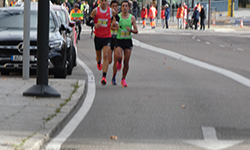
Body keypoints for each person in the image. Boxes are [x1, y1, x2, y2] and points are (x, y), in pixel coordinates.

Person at [86, 0, 117, 85]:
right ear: (100, 2)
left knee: (106, 55)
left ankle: (104, 77)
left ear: (107, 2)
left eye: (105, 1)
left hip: (107, 37)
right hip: (98, 37)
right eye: (102, 1)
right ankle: (99, 62)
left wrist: (114, 22)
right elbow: (87, 22)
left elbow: (117, 18)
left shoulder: (111, 11)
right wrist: (94, 24)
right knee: (99, 57)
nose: (104, 2)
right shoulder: (95, 11)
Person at [114, 0, 138, 87]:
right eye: (123, 6)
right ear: (121, 7)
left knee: (127, 62)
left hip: (128, 40)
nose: (124, 7)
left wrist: (131, 30)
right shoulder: (118, 17)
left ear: (128, 7)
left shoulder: (132, 18)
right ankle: (119, 61)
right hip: (119, 40)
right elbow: (112, 26)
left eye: (126, 6)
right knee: (119, 56)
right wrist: (115, 27)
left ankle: (123, 79)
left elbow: (136, 31)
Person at [109, 0, 120, 85]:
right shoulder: (108, 16)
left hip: (117, 39)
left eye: (116, 6)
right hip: (109, 38)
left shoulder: (120, 16)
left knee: (116, 60)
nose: (115, 8)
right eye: (113, 6)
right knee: (109, 60)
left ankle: (114, 77)